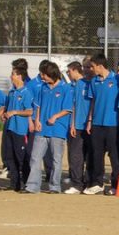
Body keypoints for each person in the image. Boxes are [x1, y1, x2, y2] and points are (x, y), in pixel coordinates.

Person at [25, 62, 72, 194]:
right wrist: (37, 120)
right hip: (42, 129)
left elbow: (68, 109)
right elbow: (38, 105)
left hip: (58, 130)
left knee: (56, 159)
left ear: (51, 74)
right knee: (35, 157)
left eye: (44, 74)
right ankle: (32, 186)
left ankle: (55, 186)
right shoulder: (43, 87)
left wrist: (55, 117)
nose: (42, 76)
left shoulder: (65, 88)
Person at [85, 53, 119, 195]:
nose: (91, 69)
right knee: (97, 154)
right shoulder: (94, 81)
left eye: (93, 66)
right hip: (97, 123)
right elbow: (93, 102)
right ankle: (97, 183)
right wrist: (90, 121)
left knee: (114, 155)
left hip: (113, 124)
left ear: (100, 66)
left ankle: (116, 185)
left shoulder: (117, 79)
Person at [3, 66, 33, 192]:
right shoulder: (11, 92)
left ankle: (27, 184)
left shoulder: (26, 92)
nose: (11, 76)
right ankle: (14, 184)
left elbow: (29, 111)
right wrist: (5, 115)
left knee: (22, 158)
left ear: (19, 76)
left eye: (13, 74)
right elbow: (6, 108)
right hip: (9, 128)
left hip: (20, 130)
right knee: (10, 157)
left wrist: (15, 112)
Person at [64, 61, 92, 194]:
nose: (86, 70)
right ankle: (77, 184)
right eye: (85, 67)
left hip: (91, 126)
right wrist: (73, 124)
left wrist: (91, 121)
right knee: (76, 156)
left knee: (91, 156)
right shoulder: (78, 84)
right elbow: (74, 105)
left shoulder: (95, 83)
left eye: (89, 67)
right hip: (79, 125)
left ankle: (90, 183)